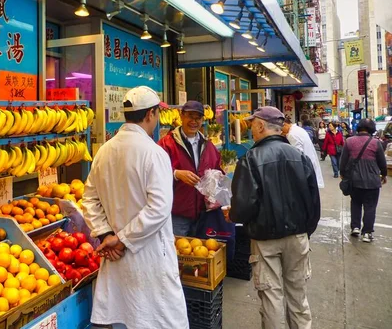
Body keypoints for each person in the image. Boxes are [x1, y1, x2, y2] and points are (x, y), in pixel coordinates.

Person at [82, 86, 187, 329]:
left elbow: (89, 198)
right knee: (158, 319)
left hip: (116, 255)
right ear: (151, 114)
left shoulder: (104, 151)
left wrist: (107, 234)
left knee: (124, 317)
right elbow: (159, 208)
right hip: (149, 256)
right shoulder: (154, 153)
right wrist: (122, 239)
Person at [230, 106, 320, 329]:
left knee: (271, 298)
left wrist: (233, 215)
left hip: (264, 239)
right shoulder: (299, 156)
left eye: (252, 124)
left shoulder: (251, 158)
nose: (251, 128)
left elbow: (243, 205)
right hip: (298, 236)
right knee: (298, 295)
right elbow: (314, 202)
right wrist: (305, 231)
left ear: (261, 125)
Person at [158, 100, 222, 236]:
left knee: (202, 253)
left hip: (204, 214)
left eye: (198, 117)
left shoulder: (208, 145)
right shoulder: (166, 143)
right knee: (178, 254)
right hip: (177, 214)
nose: (194, 121)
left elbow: (218, 169)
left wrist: (215, 178)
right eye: (190, 116)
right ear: (181, 116)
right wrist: (176, 173)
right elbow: (154, 172)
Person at [340, 119, 388, 243]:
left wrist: (343, 174)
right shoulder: (376, 143)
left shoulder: (349, 141)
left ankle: (355, 227)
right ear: (372, 129)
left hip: (355, 181)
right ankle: (367, 233)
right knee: (370, 207)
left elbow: (343, 161)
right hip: (372, 181)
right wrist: (384, 175)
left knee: (355, 203)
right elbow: (382, 163)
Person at [283, 121, 325, 189]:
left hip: (305, 170)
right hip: (309, 164)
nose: (282, 134)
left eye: (281, 131)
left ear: (285, 125)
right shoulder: (297, 129)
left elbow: (297, 157)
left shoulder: (292, 135)